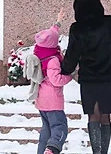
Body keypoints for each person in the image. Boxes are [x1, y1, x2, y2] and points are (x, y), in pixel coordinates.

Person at [61, 0, 111, 154]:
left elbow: (72, 56)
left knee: (93, 116)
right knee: (106, 116)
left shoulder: (77, 28)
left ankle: (96, 152)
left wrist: (63, 69)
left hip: (89, 80)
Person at [33, 10, 74, 154]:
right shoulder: (53, 60)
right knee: (60, 127)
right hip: (53, 100)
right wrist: (69, 77)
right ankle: (52, 149)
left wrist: (58, 21)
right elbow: (56, 80)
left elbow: (50, 35)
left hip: (41, 99)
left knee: (47, 128)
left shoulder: (40, 53)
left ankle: (42, 150)